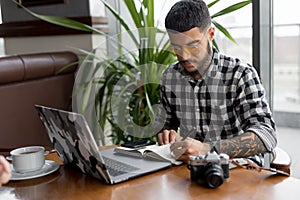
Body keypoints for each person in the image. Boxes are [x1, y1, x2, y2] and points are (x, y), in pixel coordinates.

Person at [155, 0, 277, 163]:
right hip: (187, 171)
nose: (184, 56)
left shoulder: (240, 74)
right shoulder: (170, 77)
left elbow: (265, 135)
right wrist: (166, 133)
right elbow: (166, 125)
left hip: (237, 170)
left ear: (211, 34)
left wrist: (208, 149)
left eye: (193, 46)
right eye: (176, 47)